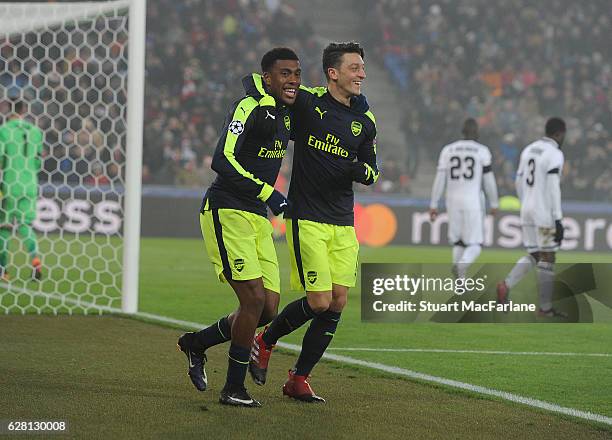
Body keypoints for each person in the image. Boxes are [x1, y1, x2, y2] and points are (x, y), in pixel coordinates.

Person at [246, 42, 379, 402]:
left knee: (337, 303)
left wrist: (359, 169)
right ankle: (265, 340)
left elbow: (372, 171)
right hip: (308, 217)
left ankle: (298, 379)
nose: (362, 74)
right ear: (333, 73)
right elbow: (262, 85)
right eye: (355, 68)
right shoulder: (308, 102)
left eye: (362, 68)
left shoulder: (364, 120)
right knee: (319, 302)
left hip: (343, 222)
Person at [176, 48, 301, 407]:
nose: (292, 79)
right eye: (284, 73)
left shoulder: (286, 113)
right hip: (226, 208)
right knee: (252, 299)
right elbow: (221, 159)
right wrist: (269, 192)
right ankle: (233, 388)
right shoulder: (248, 106)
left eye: (296, 73)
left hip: (257, 216)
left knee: (268, 309)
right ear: (267, 78)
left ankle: (196, 344)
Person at [497, 117, 567, 318]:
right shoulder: (555, 153)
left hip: (526, 208)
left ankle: (506, 284)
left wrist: (526, 202)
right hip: (543, 213)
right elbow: (553, 187)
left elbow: (518, 180)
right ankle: (545, 308)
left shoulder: (529, 149)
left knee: (535, 254)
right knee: (548, 256)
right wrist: (558, 218)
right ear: (559, 134)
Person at [429, 118, 499, 278]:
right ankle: (462, 265)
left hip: (452, 201)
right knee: (475, 244)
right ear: (477, 133)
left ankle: (460, 285)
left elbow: (440, 179)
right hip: (472, 200)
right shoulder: (482, 151)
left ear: (462, 132)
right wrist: (494, 202)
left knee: (459, 242)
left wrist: (433, 203)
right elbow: (489, 181)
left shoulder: (448, 150)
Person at [0, 100, 44, 281]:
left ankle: (3, 270)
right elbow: (38, 160)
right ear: (24, 110)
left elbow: (1, 158)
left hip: (10, 184)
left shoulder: (4, 130)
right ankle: (36, 262)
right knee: (26, 226)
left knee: (3, 228)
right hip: (30, 184)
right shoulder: (35, 131)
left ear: (7, 110)